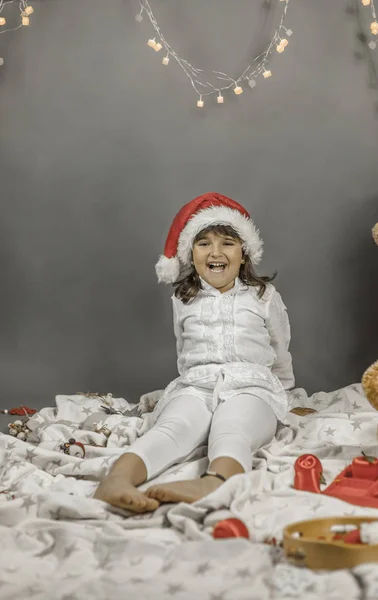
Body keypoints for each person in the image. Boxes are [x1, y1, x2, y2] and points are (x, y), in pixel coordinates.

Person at [94, 192, 295, 513]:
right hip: (197, 384)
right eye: (204, 243)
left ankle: (215, 481)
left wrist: (286, 397)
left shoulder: (263, 296)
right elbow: (183, 350)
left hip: (251, 387)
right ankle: (117, 479)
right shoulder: (183, 299)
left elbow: (279, 350)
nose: (216, 252)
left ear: (244, 254)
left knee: (232, 425)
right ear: (191, 254)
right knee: (173, 426)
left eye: (227, 243)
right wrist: (188, 389)